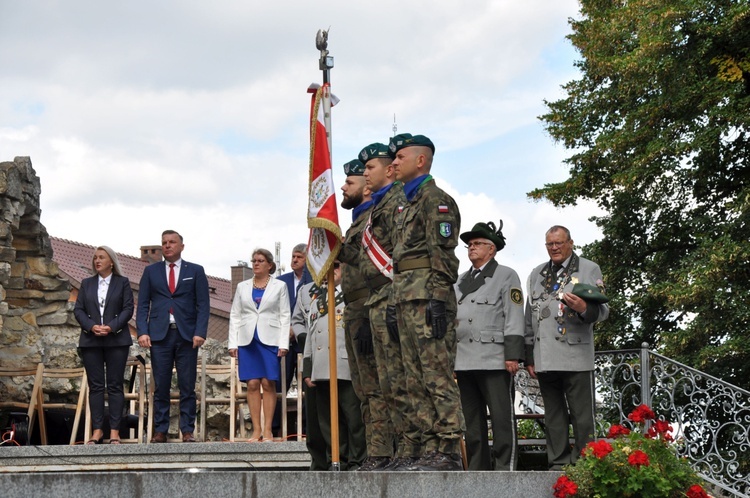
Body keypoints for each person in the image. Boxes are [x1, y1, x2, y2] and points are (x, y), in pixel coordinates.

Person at [389, 133, 465, 471]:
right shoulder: (407, 204)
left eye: (400, 157)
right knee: (413, 377)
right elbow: (399, 260)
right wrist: (394, 303)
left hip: (426, 298)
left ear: (421, 160)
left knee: (436, 374)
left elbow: (443, 257)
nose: (394, 163)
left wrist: (437, 300)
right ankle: (425, 446)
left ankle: (447, 447)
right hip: (406, 297)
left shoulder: (437, 200)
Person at [524, 225, 609, 470]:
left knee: (582, 414)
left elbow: (602, 311)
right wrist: (528, 354)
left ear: (570, 243)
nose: (554, 248)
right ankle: (558, 461)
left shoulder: (588, 268)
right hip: (545, 356)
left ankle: (585, 463)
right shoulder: (536, 273)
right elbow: (529, 316)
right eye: (550, 244)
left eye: (559, 243)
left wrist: (583, 307)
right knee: (553, 414)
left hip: (575, 353)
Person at [357, 141, 419, 471]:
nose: (365, 173)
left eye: (370, 168)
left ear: (389, 170)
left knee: (402, 382)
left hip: (394, 300)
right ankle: (395, 451)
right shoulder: (378, 207)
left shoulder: (399, 203)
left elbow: (401, 258)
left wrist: (396, 302)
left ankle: (410, 449)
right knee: (384, 385)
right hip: (376, 302)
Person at [337, 157, 393, 471]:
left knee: (378, 385)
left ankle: (385, 452)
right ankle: (376, 453)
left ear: (366, 187)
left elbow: (377, 267)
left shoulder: (375, 217)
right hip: (357, 309)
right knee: (364, 388)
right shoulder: (358, 220)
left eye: (350, 182)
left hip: (373, 307)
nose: (344, 188)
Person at [454, 221, 525, 470]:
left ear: (491, 249)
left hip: (494, 359)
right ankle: (477, 469)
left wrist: (513, 354)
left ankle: (505, 467)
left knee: (501, 419)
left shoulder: (506, 275)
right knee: (472, 423)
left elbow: (514, 315)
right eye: (469, 245)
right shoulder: (460, 280)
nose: (471, 248)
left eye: (477, 244)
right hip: (463, 360)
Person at [137, 230, 210, 443]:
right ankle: (160, 430)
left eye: (172, 242)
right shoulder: (151, 271)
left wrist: (200, 332)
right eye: (164, 243)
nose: (167, 246)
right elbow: (142, 304)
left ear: (181, 246)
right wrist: (142, 331)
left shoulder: (195, 271)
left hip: (187, 335)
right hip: (160, 336)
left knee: (187, 385)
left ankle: (187, 430)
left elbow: (203, 304)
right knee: (161, 384)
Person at [302, 262, 366, 470]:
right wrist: (308, 368)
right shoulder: (316, 301)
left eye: (337, 266)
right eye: (329, 267)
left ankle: (357, 460)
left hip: (345, 365)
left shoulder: (352, 295)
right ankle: (335, 459)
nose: (333, 271)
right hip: (321, 369)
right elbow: (311, 337)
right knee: (328, 421)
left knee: (353, 418)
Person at [228, 248, 290, 442]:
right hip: (247, 339)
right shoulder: (242, 286)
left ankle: (268, 429)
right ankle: (256, 430)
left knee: (267, 382)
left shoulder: (279, 286)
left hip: (270, 338)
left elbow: (285, 315)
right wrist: (233, 343)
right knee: (252, 383)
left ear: (269, 265)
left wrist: (283, 343)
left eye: (261, 260)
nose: (256, 263)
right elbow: (235, 315)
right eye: (254, 260)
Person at [74, 246, 134, 445]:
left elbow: (128, 309)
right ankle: (97, 430)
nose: (97, 261)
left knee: (115, 385)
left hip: (116, 340)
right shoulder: (86, 283)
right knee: (96, 386)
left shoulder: (122, 282)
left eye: (101, 257)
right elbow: (79, 310)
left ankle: (115, 432)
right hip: (91, 340)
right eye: (95, 258)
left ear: (111, 262)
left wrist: (111, 327)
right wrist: (92, 327)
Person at [275, 243, 312, 436]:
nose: (294, 260)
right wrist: (286, 329)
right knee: (280, 382)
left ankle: (307, 428)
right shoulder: (281, 281)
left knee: (308, 383)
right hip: (284, 341)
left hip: (306, 340)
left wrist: (297, 329)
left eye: (299, 257)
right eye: (293, 256)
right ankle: (275, 428)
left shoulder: (314, 280)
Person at [291, 280, 327, 470]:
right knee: (314, 414)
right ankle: (319, 462)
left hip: (341, 356)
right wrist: (304, 338)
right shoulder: (306, 290)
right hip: (312, 353)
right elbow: (297, 320)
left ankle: (346, 460)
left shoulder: (346, 282)